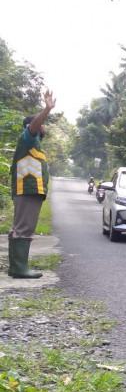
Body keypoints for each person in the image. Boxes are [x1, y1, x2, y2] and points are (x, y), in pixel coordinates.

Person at [8, 90, 57, 279]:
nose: (43, 128)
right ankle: (20, 268)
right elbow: (34, 125)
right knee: (24, 228)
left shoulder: (34, 146)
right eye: (41, 125)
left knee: (20, 227)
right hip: (27, 191)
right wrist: (47, 109)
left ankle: (16, 267)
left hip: (29, 191)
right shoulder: (28, 139)